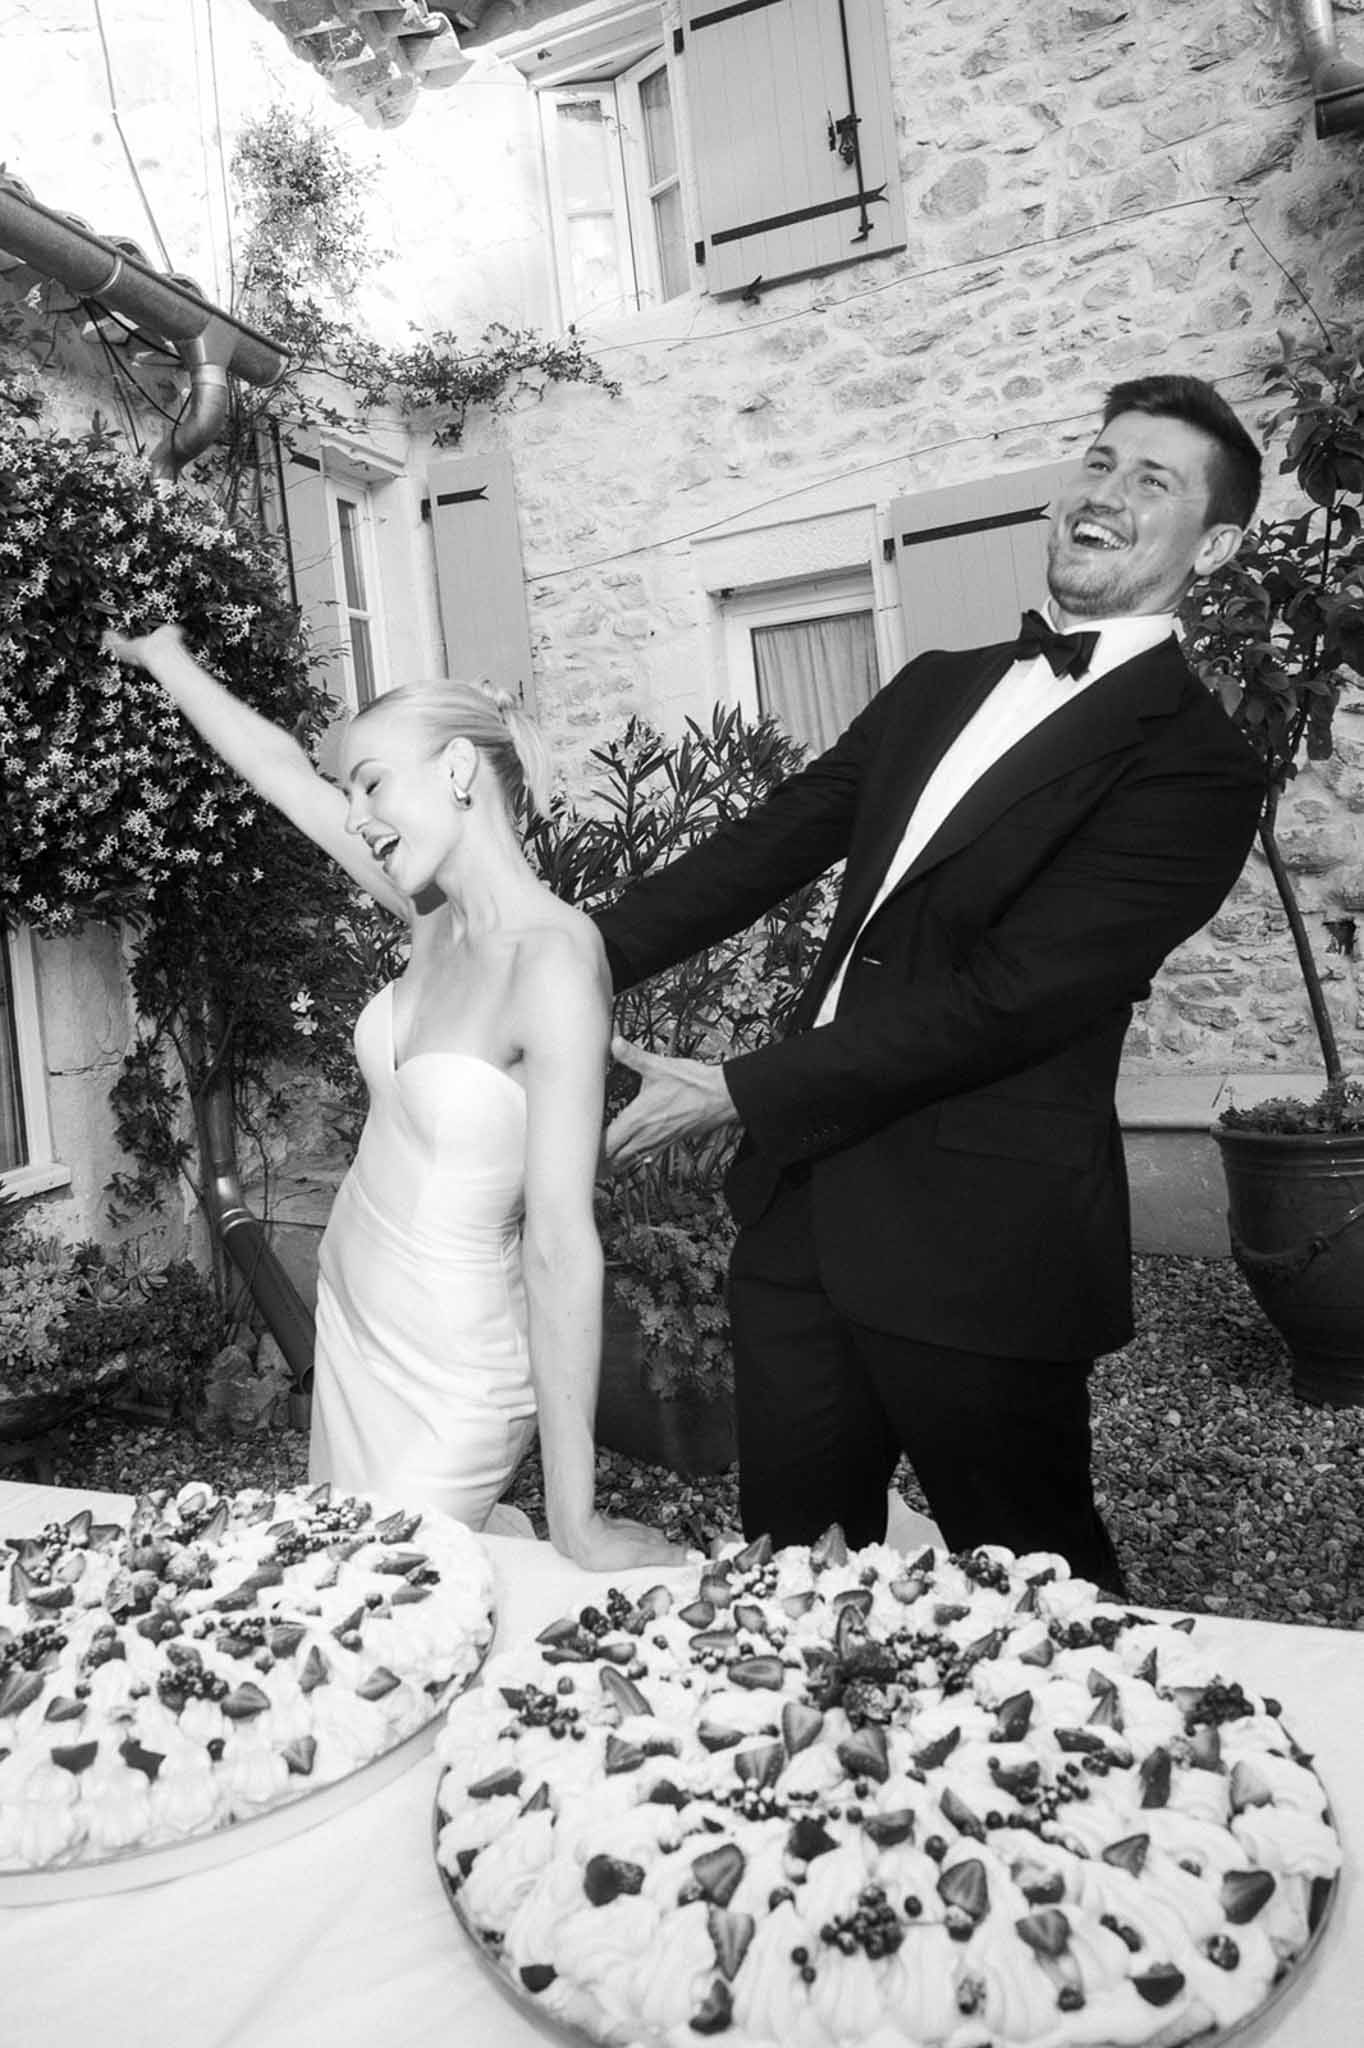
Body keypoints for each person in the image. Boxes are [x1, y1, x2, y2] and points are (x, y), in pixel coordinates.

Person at [596, 374, 1268, 1595]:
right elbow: (767, 843)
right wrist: (572, 953)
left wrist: (739, 1086)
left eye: (1150, 480)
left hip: (983, 1245)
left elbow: (1009, 997)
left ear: (1211, 544)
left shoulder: (1195, 767)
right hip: (799, 1216)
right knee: (798, 1582)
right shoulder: (936, 683)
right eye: (1097, 460)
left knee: (1040, 1597)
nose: (1101, 495)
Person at [102, 622, 681, 1573]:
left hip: (451, 1377)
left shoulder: (556, 960)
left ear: (459, 769)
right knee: (360, 1614)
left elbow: (561, 1240)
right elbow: (279, 769)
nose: (357, 812)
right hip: (357, 1328)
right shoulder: (432, 911)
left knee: (378, 1598)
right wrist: (163, 655)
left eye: (372, 781)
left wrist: (578, 1515)